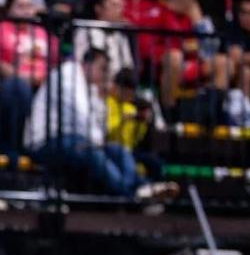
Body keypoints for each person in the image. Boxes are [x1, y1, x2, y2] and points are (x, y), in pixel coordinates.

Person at [26, 48, 176, 200]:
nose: (105, 75)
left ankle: (142, 187)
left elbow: (100, 127)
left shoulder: (88, 85)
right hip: (45, 142)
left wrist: (102, 97)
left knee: (119, 151)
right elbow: (82, 116)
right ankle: (131, 196)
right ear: (86, 64)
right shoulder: (68, 74)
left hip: (76, 141)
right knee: (93, 153)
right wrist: (99, 143)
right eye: (102, 69)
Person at [0, 0, 54, 155]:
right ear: (9, 10)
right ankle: (13, 146)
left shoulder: (41, 32)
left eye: (29, 6)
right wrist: (19, 75)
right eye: (20, 6)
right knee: (17, 87)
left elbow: (53, 62)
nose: (26, 11)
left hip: (41, 84)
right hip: (9, 83)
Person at [73, 0, 135, 80]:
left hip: (116, 88)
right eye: (114, 5)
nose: (119, 10)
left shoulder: (121, 36)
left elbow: (128, 65)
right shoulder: (86, 31)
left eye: (121, 6)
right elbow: (78, 62)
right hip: (90, 85)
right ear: (98, 8)